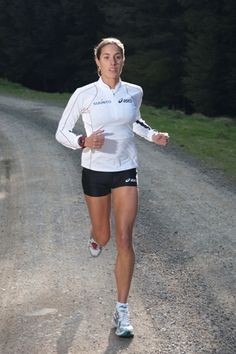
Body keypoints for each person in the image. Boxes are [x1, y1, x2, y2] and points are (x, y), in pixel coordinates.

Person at [55, 37, 169, 338]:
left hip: (126, 169)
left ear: (123, 60)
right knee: (104, 236)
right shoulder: (85, 94)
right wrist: (82, 141)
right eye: (107, 57)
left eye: (118, 57)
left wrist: (153, 135)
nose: (113, 62)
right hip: (95, 171)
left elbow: (134, 121)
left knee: (124, 238)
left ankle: (121, 311)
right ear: (98, 61)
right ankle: (95, 236)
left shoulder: (134, 92)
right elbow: (61, 131)